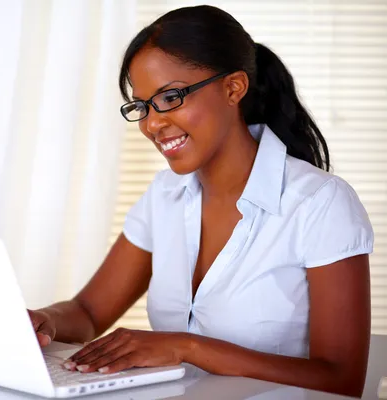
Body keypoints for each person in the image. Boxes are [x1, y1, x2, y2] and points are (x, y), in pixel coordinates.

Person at [28, 5, 373, 397]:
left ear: (233, 88)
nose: (151, 124)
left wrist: (186, 347)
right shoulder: (164, 196)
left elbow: (341, 380)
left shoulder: (320, 204)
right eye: (141, 106)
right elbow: (88, 313)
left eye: (170, 97)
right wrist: (44, 321)